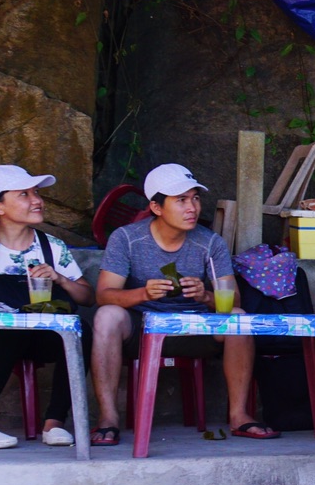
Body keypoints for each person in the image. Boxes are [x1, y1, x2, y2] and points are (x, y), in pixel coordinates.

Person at [88, 163, 278, 446]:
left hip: (196, 329)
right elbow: (104, 294)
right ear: (156, 207)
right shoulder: (127, 238)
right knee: (106, 316)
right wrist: (143, 294)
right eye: (181, 200)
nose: (192, 207)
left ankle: (239, 415)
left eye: (195, 198)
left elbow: (233, 299)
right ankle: (108, 417)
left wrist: (205, 296)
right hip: (143, 329)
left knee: (237, 317)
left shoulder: (210, 242)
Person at [0, 165, 95, 449]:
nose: (37, 200)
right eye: (24, 194)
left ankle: (55, 423)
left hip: (36, 335)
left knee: (80, 331)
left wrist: (60, 278)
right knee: (11, 328)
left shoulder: (51, 246)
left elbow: (87, 297)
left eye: (36, 193)